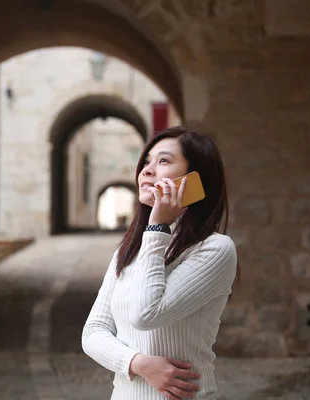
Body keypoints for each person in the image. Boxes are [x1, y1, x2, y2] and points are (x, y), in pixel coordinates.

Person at [82, 126, 239, 400]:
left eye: (163, 161)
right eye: (146, 162)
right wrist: (138, 364)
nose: (147, 171)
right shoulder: (131, 249)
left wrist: (157, 228)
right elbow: (93, 332)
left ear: (194, 179)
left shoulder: (215, 249)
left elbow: (146, 314)